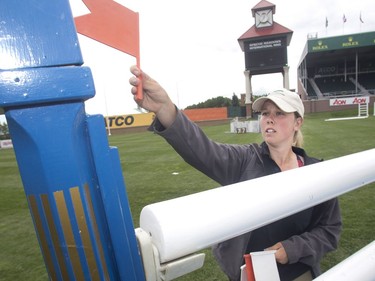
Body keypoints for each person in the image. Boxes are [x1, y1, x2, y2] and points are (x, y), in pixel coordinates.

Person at [129, 66, 342, 281]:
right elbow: (203, 151)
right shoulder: (245, 160)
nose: (269, 119)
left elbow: (329, 229)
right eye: (265, 113)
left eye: (279, 114)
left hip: (299, 273)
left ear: (298, 122)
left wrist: (293, 249)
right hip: (251, 276)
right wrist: (165, 107)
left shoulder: (316, 172)